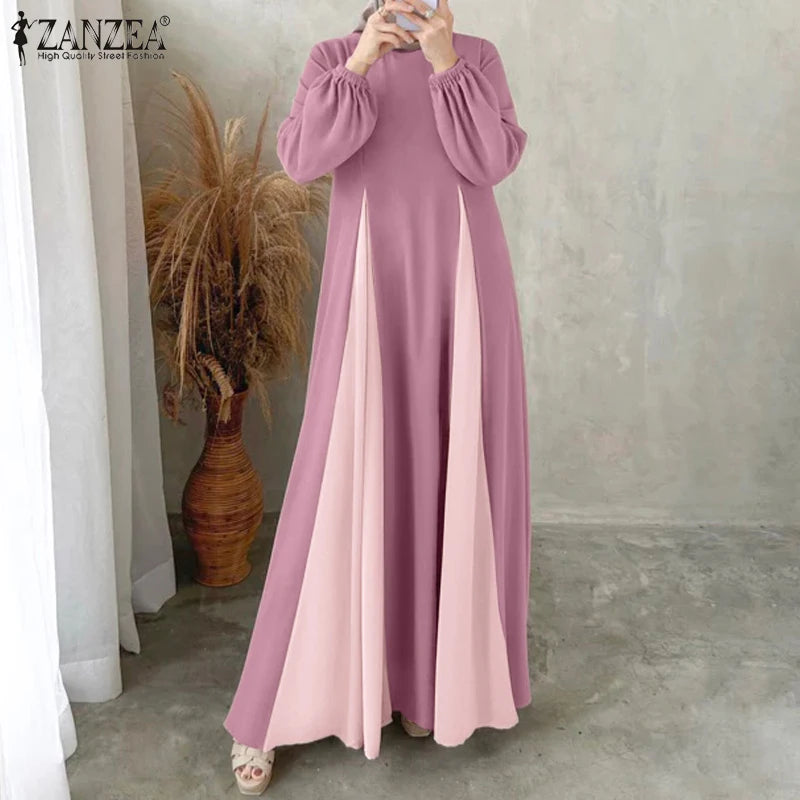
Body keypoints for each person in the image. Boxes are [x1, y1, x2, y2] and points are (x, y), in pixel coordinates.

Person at [224, 0, 531, 793]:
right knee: (345, 475)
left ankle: (427, 684)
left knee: (453, 469)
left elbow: (491, 161)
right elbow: (303, 159)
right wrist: (360, 63)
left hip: (464, 286)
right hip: (371, 288)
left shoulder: (477, 56)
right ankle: (270, 710)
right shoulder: (333, 58)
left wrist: (444, 65)